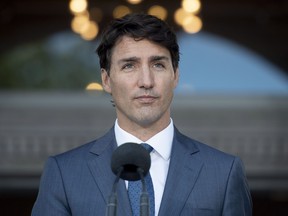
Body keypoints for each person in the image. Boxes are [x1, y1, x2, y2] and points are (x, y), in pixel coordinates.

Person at [32, 13, 252, 216]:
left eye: (158, 65)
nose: (146, 81)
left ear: (175, 76)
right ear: (107, 80)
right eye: (129, 66)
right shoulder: (64, 173)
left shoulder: (223, 173)